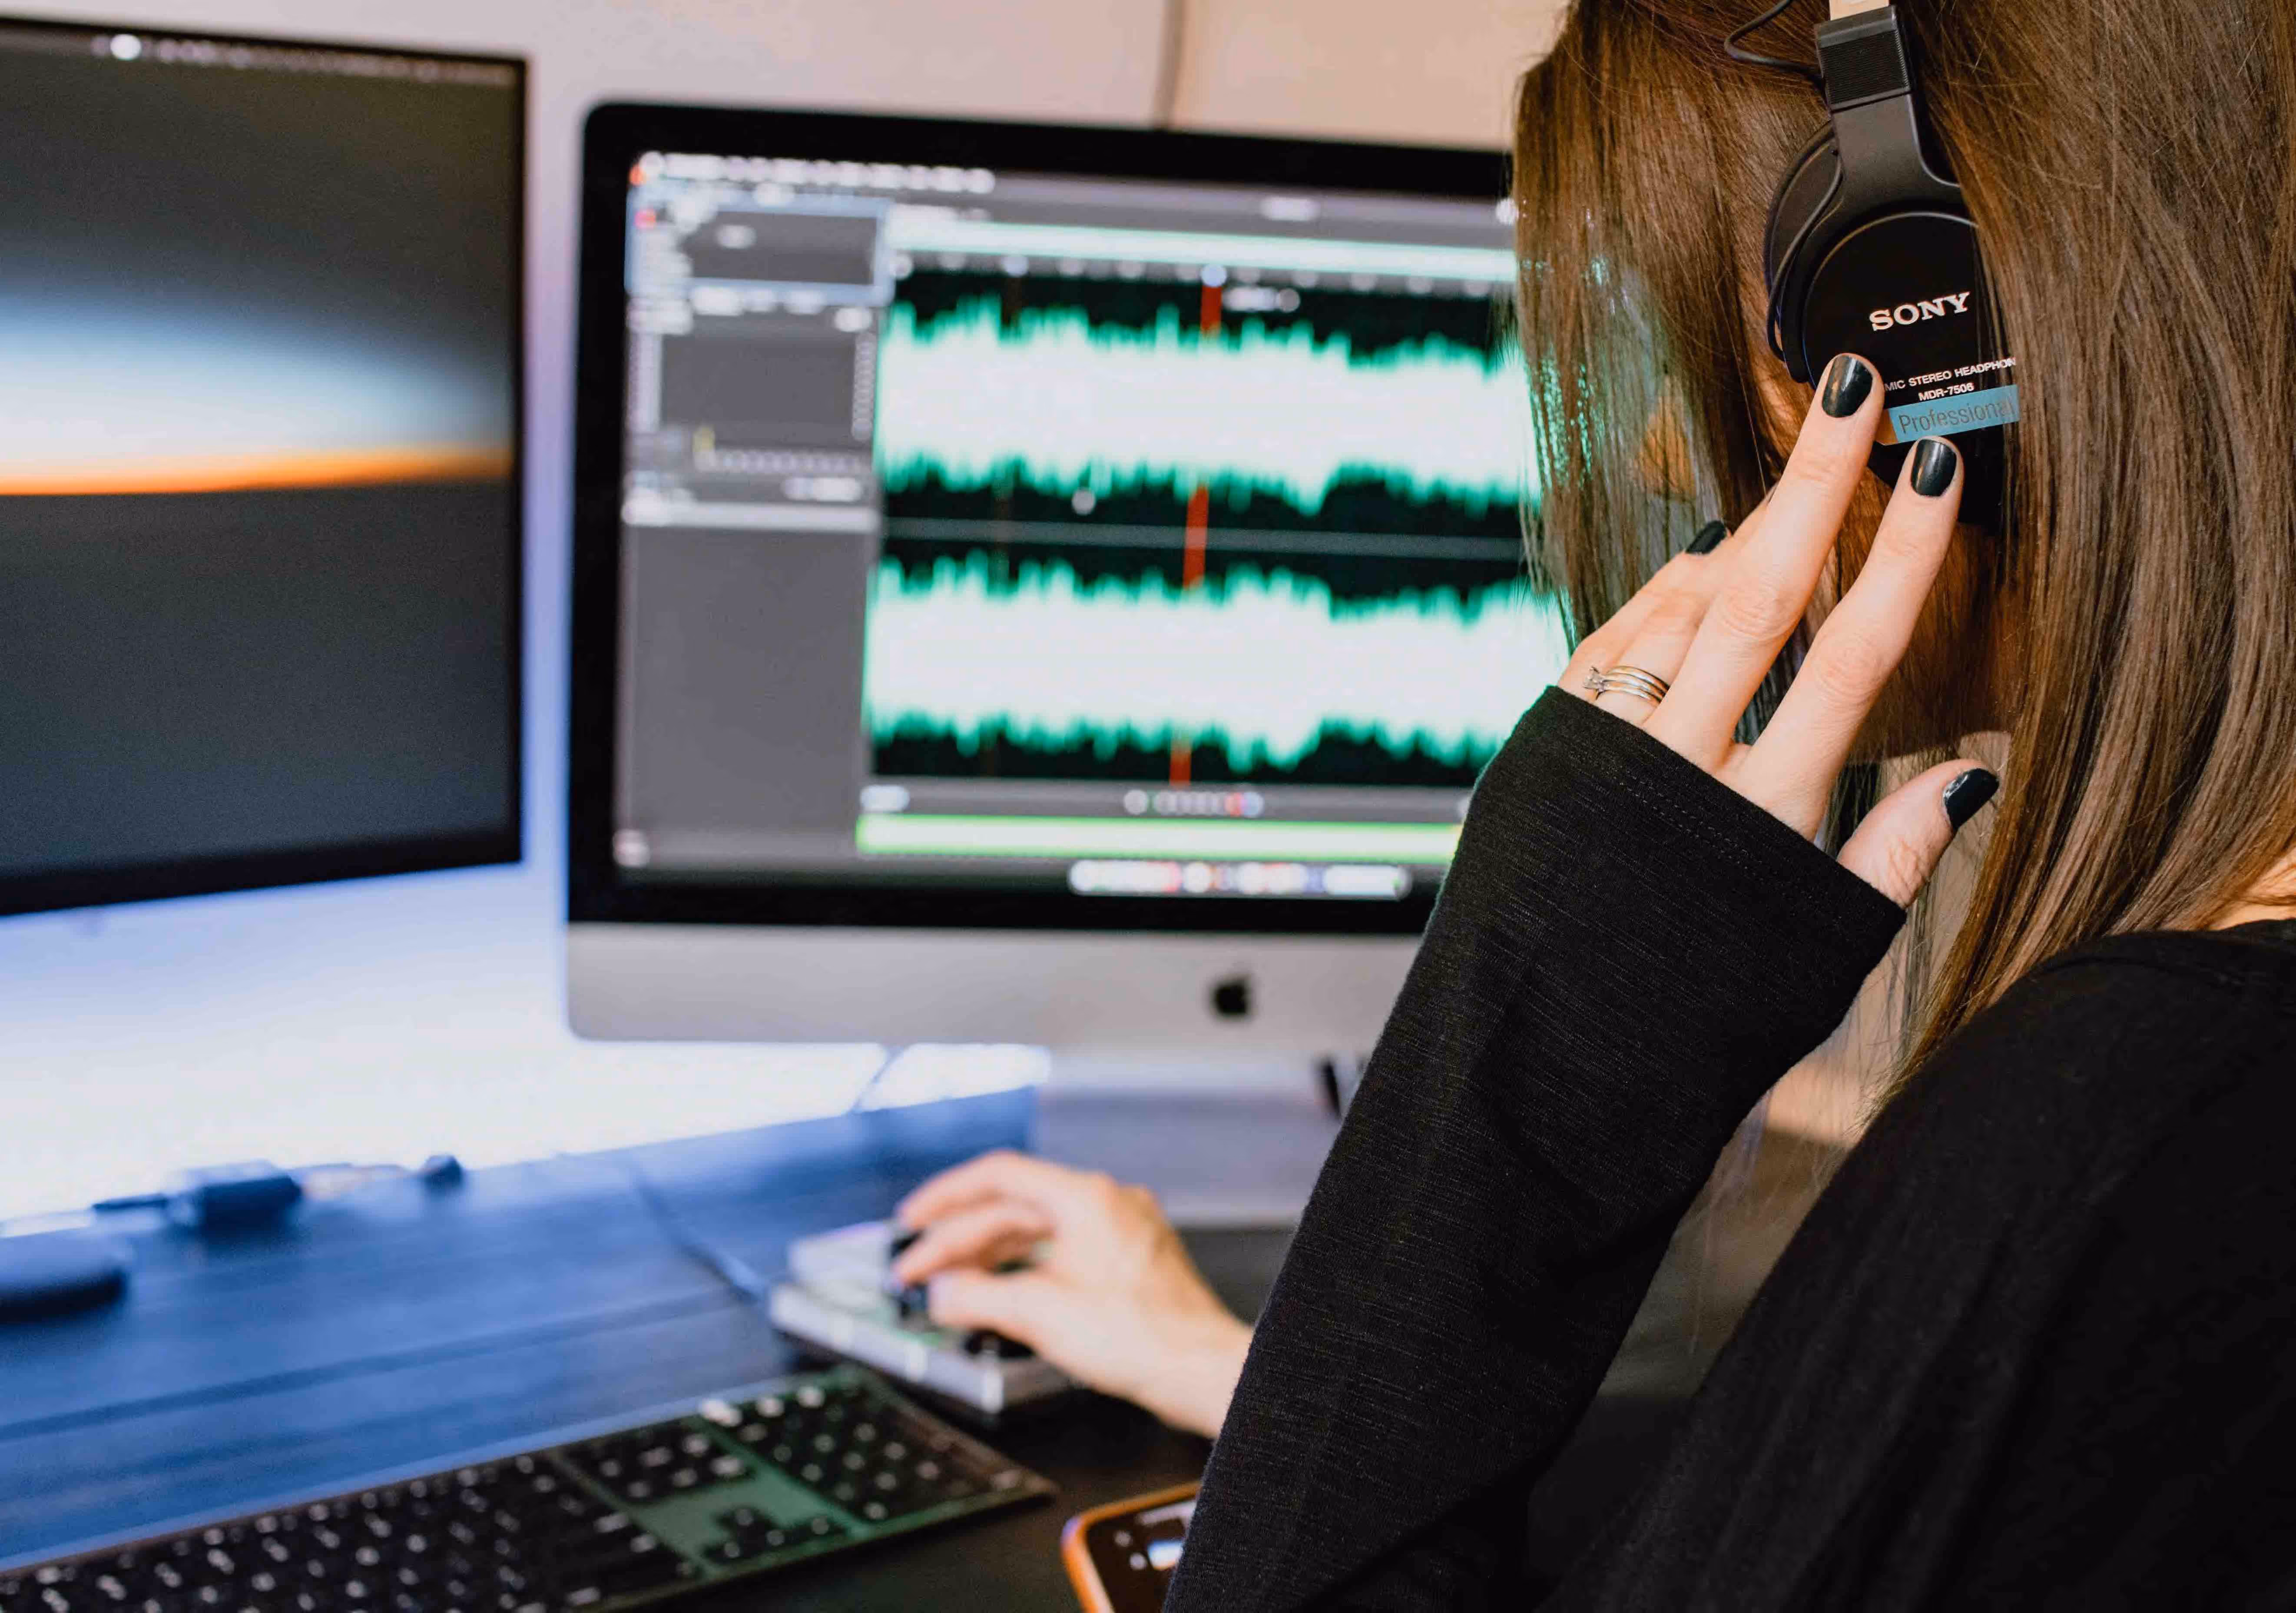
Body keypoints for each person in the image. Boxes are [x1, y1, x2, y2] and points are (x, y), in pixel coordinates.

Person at [926, 0, 2296, 1599]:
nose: (1654, 441)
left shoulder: (2118, 1118)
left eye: (1710, 343)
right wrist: (1297, 1397)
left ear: (1946, 334)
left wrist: (1534, 1024)